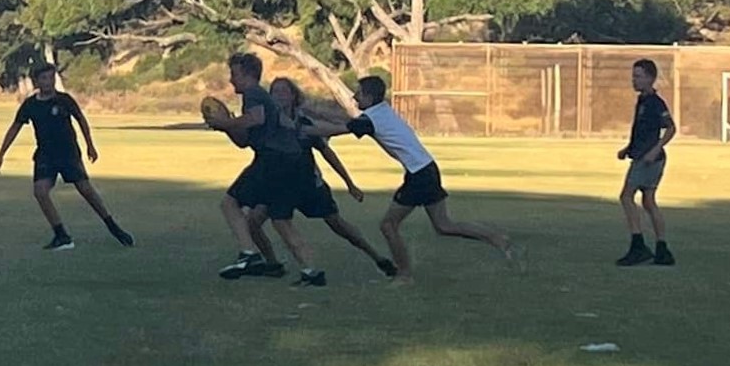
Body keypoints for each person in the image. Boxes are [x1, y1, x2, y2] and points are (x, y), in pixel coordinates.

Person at [302, 75, 517, 283]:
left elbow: (338, 129)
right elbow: (345, 120)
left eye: (358, 93)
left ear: (369, 97)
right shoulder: (381, 112)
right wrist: (310, 111)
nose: (354, 97)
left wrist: (302, 128)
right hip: (427, 168)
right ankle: (497, 238)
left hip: (419, 175)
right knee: (444, 225)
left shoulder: (372, 119)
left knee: (388, 225)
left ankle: (404, 275)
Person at [247, 77, 398, 283]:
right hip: (278, 184)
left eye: (283, 91)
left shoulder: (303, 122)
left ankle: (378, 258)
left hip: (308, 184)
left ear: (293, 96)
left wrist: (349, 183)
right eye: (274, 92)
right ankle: (273, 264)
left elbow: (327, 153)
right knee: (253, 221)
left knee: (337, 224)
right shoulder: (267, 123)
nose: (278, 96)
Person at [0, 62, 134, 251]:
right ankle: (61, 235)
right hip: (45, 155)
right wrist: (1, 154)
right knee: (40, 192)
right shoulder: (31, 105)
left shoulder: (64, 100)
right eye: (44, 78)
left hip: (68, 153)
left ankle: (112, 225)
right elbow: (15, 128)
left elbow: (81, 120)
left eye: (51, 77)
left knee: (86, 190)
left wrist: (90, 145)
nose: (49, 82)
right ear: (36, 81)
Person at [205, 52, 308, 282]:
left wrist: (226, 122)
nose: (231, 80)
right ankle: (303, 268)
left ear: (248, 75)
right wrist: (227, 127)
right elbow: (244, 141)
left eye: (235, 74)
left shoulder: (253, 94)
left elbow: (256, 119)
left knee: (230, 203)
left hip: (273, 159)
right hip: (278, 161)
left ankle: (249, 253)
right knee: (274, 219)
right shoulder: (258, 96)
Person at [616, 59, 677, 267]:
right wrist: (628, 148)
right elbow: (641, 131)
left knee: (626, 196)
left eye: (638, 76)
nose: (634, 80)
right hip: (641, 155)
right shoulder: (642, 100)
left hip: (648, 160)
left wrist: (655, 150)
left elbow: (670, 129)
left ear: (650, 78)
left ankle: (638, 246)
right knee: (648, 202)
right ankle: (662, 249)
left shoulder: (655, 102)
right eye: (633, 76)